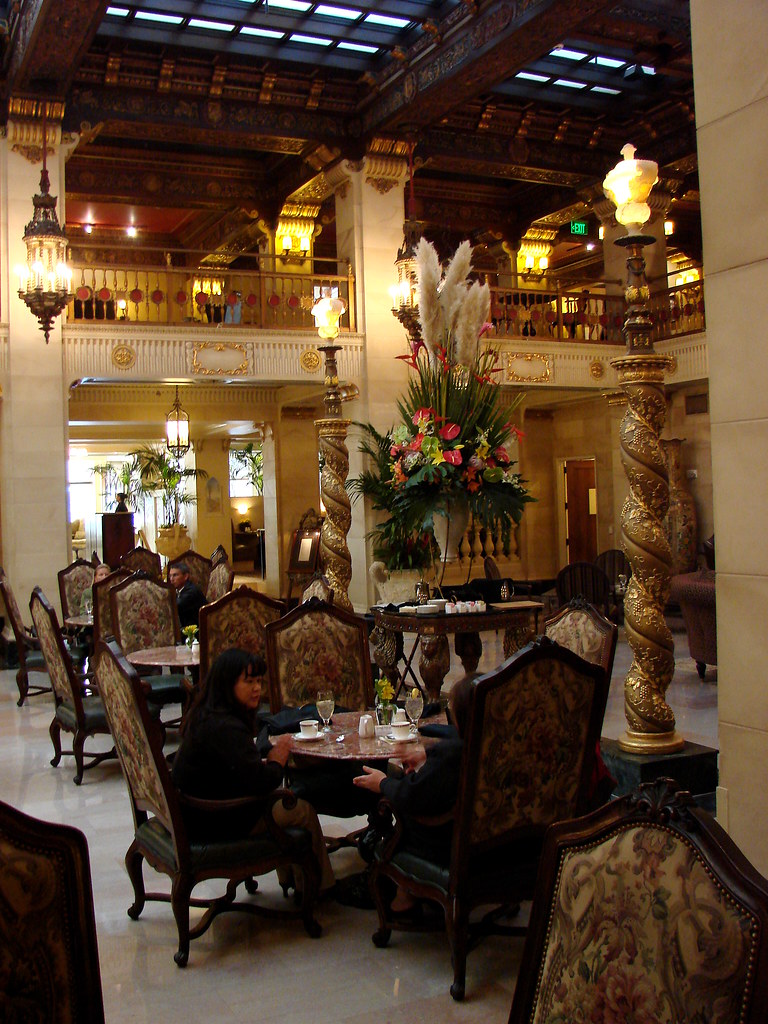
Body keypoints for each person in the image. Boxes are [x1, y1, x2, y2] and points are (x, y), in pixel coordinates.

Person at [171, 649, 334, 892]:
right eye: (249, 682)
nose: (257, 688)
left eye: (259, 681)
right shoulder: (225, 727)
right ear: (227, 684)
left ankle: (290, 879)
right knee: (300, 809)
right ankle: (319, 888)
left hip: (195, 814)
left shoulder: (206, 715)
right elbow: (261, 783)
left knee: (286, 798)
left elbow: (235, 769)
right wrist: (278, 760)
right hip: (217, 821)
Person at [353, 674, 473, 913]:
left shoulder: (451, 756)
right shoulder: (491, 747)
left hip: (445, 844)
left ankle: (403, 895)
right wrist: (428, 756)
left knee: (396, 816)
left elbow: (411, 796)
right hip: (492, 843)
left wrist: (383, 783)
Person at [168, 561, 206, 629]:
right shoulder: (179, 589)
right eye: (170, 576)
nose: (171, 579)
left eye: (175, 575)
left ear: (185, 576)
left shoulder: (191, 591)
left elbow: (175, 606)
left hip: (196, 631)